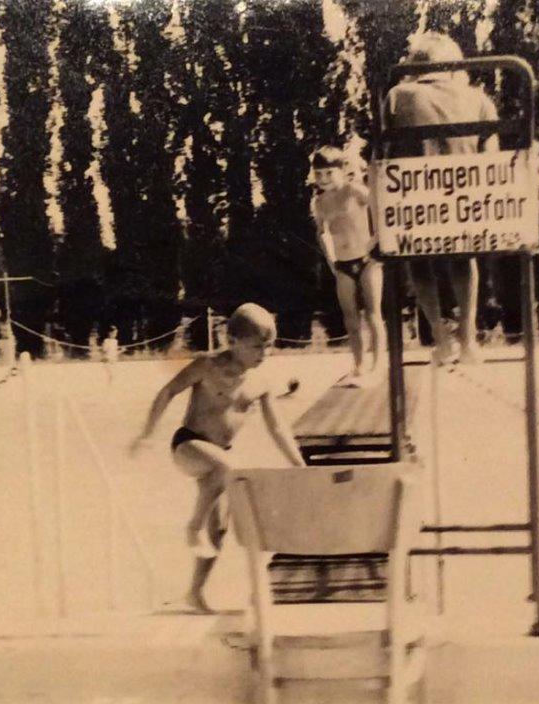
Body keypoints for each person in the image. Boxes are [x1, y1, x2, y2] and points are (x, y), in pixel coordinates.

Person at [130, 303, 305, 612]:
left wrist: (298, 463)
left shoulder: (261, 383)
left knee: (220, 529)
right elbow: (168, 391)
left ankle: (194, 592)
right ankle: (193, 526)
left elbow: (277, 427)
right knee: (231, 469)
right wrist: (147, 432)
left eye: (268, 347)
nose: (263, 354)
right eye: (255, 347)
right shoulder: (207, 366)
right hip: (189, 446)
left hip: (219, 460)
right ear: (232, 340)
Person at [383, 32, 499, 364]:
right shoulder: (479, 99)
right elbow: (492, 159)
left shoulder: (396, 95)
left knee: (418, 261)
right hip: (465, 207)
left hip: (416, 210)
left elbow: (386, 155)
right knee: (464, 259)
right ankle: (468, 337)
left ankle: (439, 337)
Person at [310, 146, 386, 383]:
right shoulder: (320, 202)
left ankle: (378, 363)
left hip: (367, 261)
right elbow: (321, 233)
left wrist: (377, 244)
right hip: (343, 264)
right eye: (319, 174)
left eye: (329, 173)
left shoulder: (355, 191)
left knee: (373, 314)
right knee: (351, 318)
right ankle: (359, 364)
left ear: (342, 170)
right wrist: (331, 260)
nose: (323, 179)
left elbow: (382, 211)